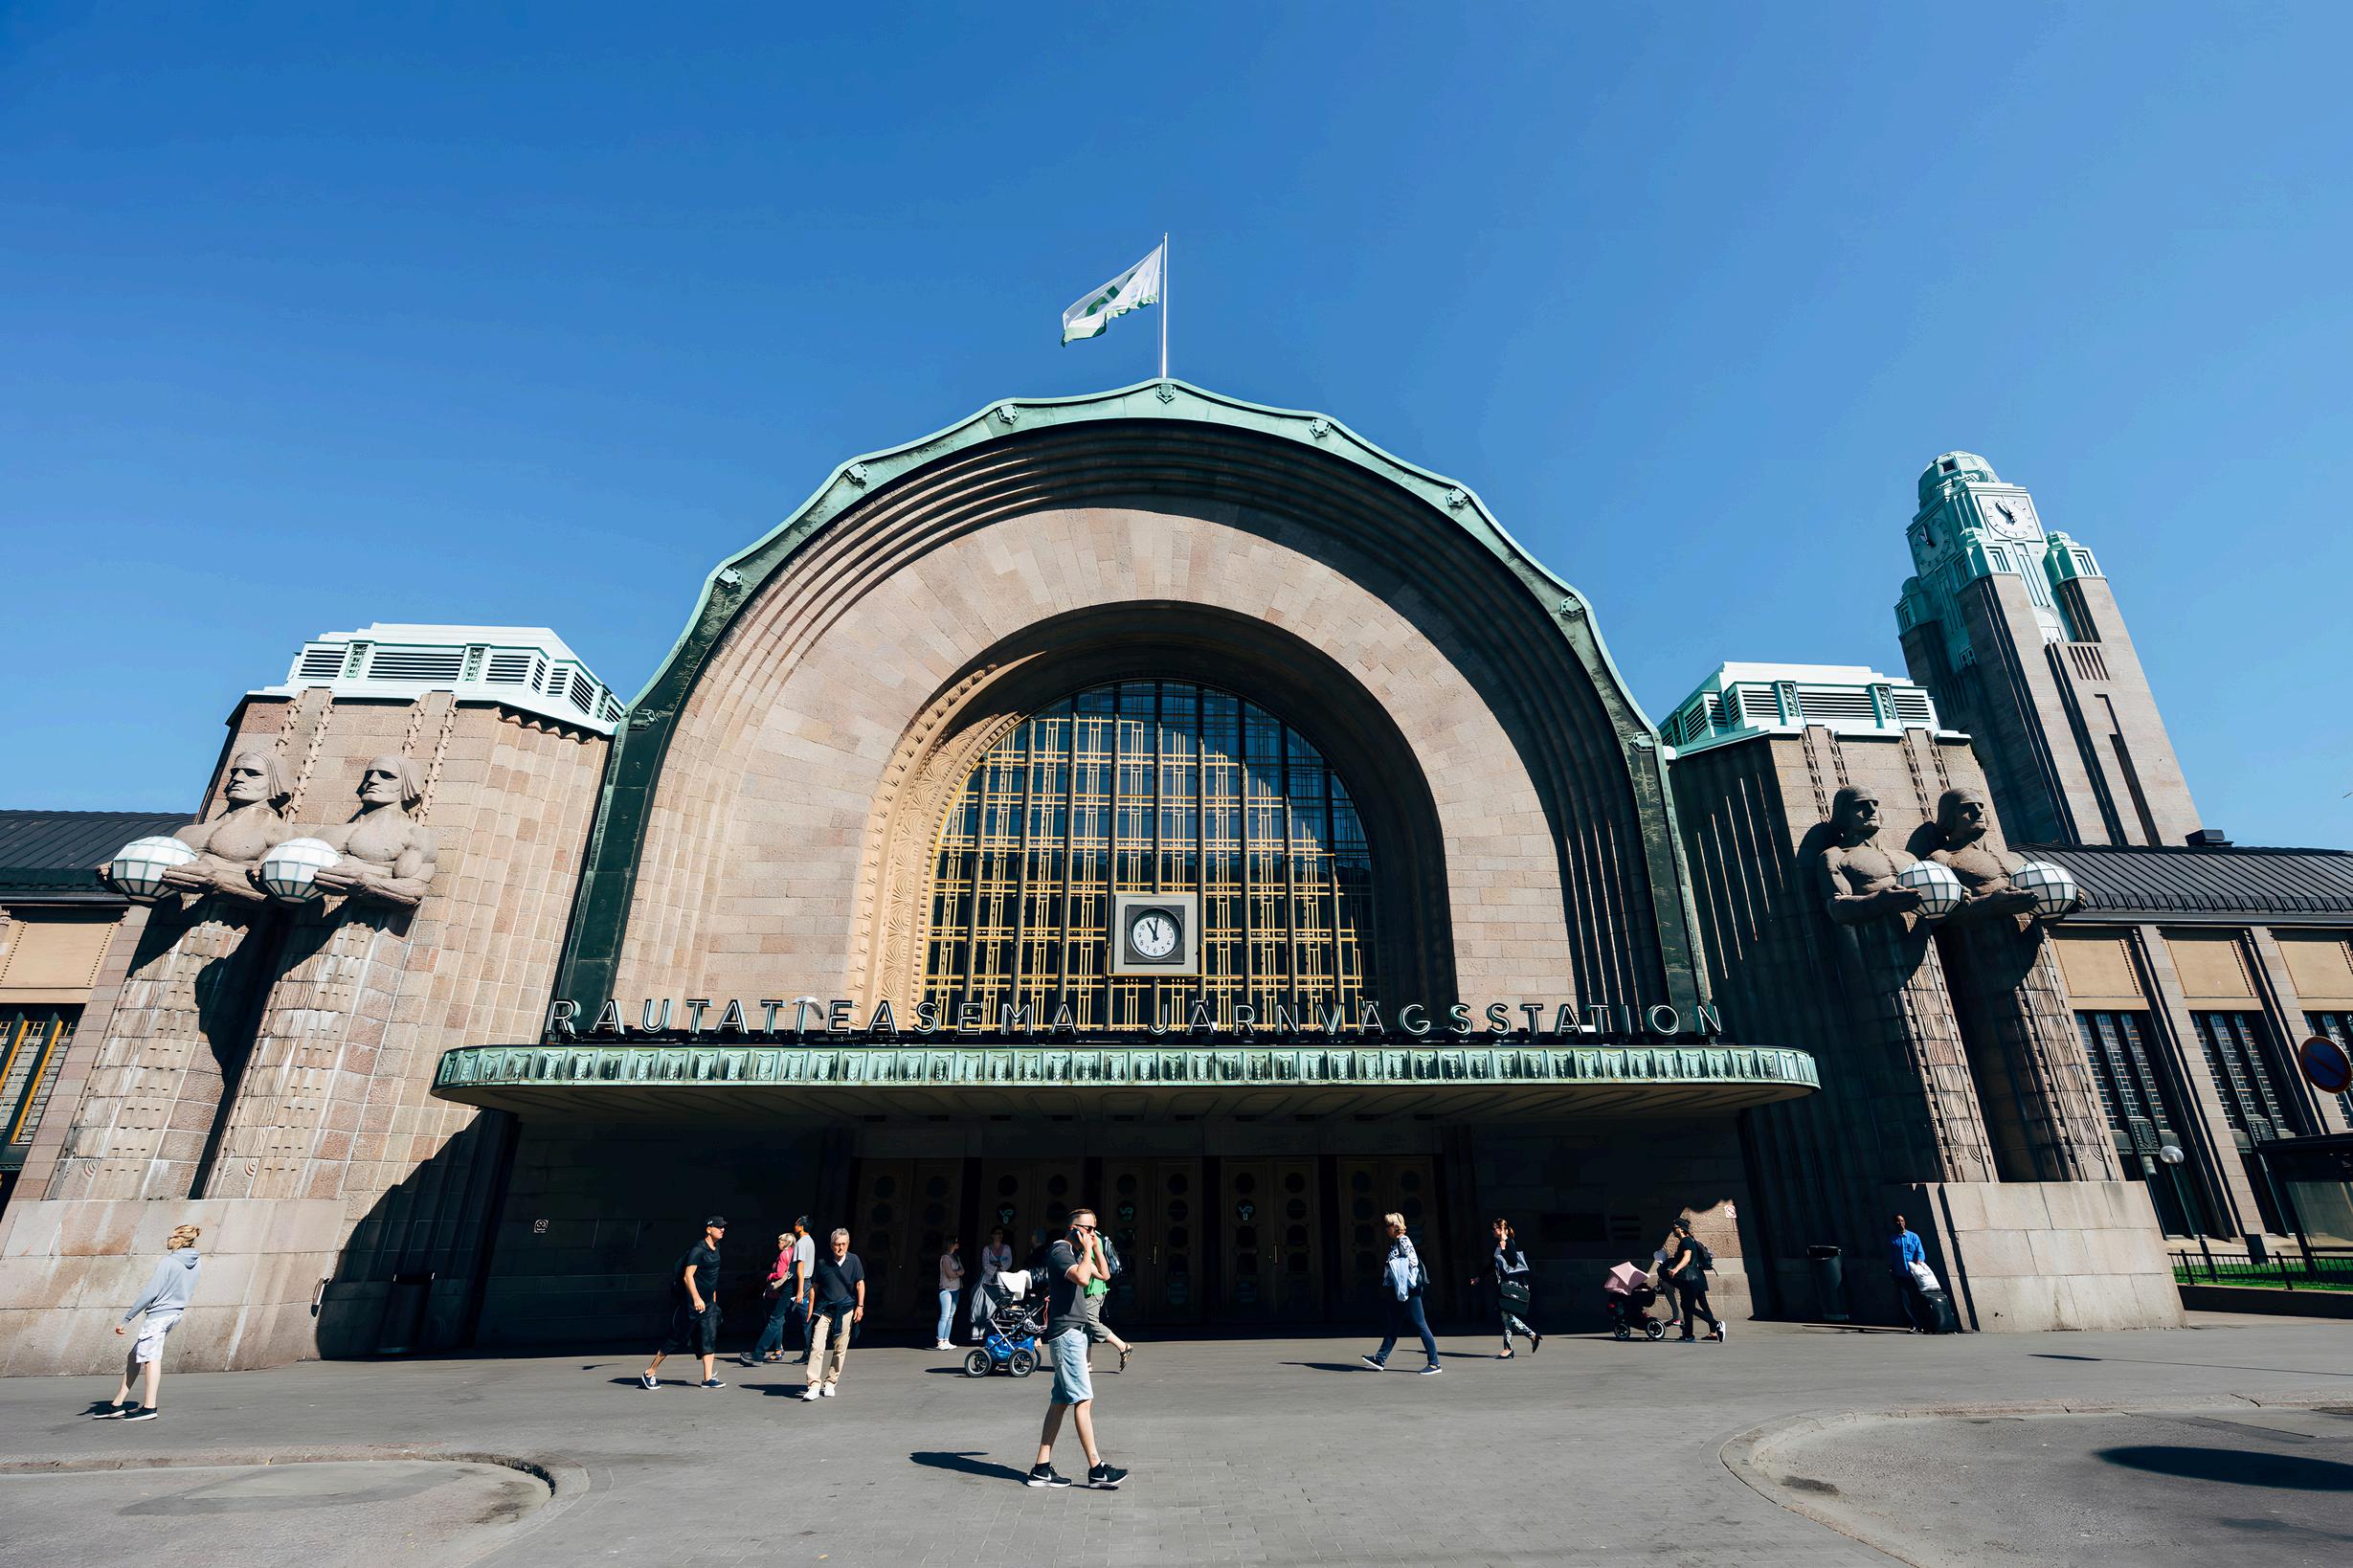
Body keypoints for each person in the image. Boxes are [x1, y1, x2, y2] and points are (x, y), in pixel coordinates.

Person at [1027, 1207, 1128, 1489]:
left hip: (1075, 1333)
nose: (1093, 1233)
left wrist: (1094, 1248)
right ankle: (1097, 1469)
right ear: (1073, 1228)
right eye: (1088, 1229)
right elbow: (1083, 1279)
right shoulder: (1060, 1251)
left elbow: (1104, 1275)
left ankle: (1041, 1468)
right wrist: (1085, 1252)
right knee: (1084, 1400)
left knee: (1060, 1402)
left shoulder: (1076, 1251)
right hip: (1067, 1333)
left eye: (1095, 1229)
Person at [94, 1224, 202, 1422]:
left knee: (151, 1359)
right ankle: (117, 1404)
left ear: (180, 1240)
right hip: (175, 1314)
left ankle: (150, 1407)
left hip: (159, 1316)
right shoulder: (196, 1262)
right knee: (134, 1356)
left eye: (171, 1237)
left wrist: (127, 1318)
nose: (168, 1240)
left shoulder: (169, 1262)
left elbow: (151, 1292)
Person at [641, 1216, 727, 1389]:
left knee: (709, 1337)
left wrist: (713, 1298)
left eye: (723, 1227)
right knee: (677, 1338)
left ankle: (707, 1378)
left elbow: (712, 1278)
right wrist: (696, 1298)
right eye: (718, 1227)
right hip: (693, 1304)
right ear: (708, 1229)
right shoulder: (698, 1250)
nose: (722, 1229)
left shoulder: (717, 1248)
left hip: (709, 1304)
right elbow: (688, 1277)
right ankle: (650, 1372)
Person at [1360, 1212, 1440, 1375]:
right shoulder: (1397, 1242)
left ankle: (1434, 1363)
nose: (1386, 1229)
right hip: (1400, 1291)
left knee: (1420, 1324)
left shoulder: (1403, 1240)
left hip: (1408, 1290)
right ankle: (1380, 1359)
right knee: (1393, 1325)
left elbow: (1413, 1261)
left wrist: (1394, 1266)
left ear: (1395, 1227)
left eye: (1388, 1226)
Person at [800, 1227, 864, 1400]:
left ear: (848, 1244)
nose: (840, 1248)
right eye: (837, 1244)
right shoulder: (823, 1263)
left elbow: (860, 1283)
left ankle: (830, 1382)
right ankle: (813, 1385)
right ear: (831, 1245)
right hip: (825, 1310)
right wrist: (810, 1310)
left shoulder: (854, 1260)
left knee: (840, 1349)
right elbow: (814, 1287)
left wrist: (860, 1306)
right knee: (816, 1347)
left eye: (843, 1244)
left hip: (846, 1310)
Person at [1073, 1229, 1133, 1374]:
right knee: (1086, 1327)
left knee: (1091, 1322)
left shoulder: (1092, 1239)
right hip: (1092, 1289)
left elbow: (1089, 1263)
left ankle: (1123, 1346)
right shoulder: (1096, 1237)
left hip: (1093, 1289)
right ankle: (1086, 1363)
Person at [1479, 1217, 1541, 1357]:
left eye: (1494, 1228)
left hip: (1511, 1283)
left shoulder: (1508, 1243)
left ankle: (1518, 1342)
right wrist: (1479, 1277)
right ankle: (1519, 1342)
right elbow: (1492, 1264)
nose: (1492, 1231)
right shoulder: (1499, 1245)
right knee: (1506, 1316)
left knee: (1506, 1315)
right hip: (1503, 1283)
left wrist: (1504, 1249)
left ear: (1501, 1229)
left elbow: (1513, 1261)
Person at [747, 1223, 807, 1365]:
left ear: (786, 1242)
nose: (778, 1244)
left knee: (775, 1319)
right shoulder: (794, 1253)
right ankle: (780, 1350)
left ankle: (771, 1350)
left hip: (779, 1290)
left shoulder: (784, 1254)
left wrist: (770, 1276)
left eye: (780, 1241)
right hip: (791, 1288)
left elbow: (779, 1274)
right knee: (782, 1319)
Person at [1662, 1219, 1723, 1344]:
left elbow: (1687, 1257)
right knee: (1694, 1305)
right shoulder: (1690, 1241)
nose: (1673, 1231)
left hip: (1690, 1278)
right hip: (1696, 1277)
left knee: (1687, 1306)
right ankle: (1690, 1334)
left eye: (1674, 1228)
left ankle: (1715, 1325)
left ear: (1681, 1229)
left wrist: (1676, 1269)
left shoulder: (1685, 1241)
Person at [1890, 1212, 1935, 1333]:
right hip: (1901, 1274)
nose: (1900, 1223)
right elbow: (1892, 1256)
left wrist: (1919, 1263)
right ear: (1895, 1223)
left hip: (1914, 1275)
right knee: (1906, 1301)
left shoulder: (1913, 1237)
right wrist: (1891, 1269)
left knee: (1918, 1299)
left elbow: (1920, 1253)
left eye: (1902, 1221)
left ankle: (1924, 1323)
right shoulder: (1893, 1239)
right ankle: (1913, 1324)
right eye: (1898, 1221)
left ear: (1905, 1222)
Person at [970, 1226, 1013, 1342]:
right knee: (980, 1302)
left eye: (1001, 1233)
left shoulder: (1006, 1248)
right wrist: (994, 1268)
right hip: (987, 1278)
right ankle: (976, 1331)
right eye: (997, 1233)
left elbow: (1008, 1262)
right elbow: (985, 1264)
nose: (1000, 1235)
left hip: (1001, 1278)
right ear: (992, 1235)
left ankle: (990, 1332)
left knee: (996, 1304)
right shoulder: (987, 1249)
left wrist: (998, 1265)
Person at [934, 1237, 964, 1351]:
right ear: (951, 1244)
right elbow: (949, 1274)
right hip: (946, 1289)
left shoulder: (956, 1257)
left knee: (951, 1316)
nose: (958, 1243)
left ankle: (947, 1340)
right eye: (955, 1242)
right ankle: (940, 1341)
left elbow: (962, 1271)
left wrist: (956, 1273)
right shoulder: (945, 1257)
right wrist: (957, 1273)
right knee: (945, 1315)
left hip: (956, 1288)